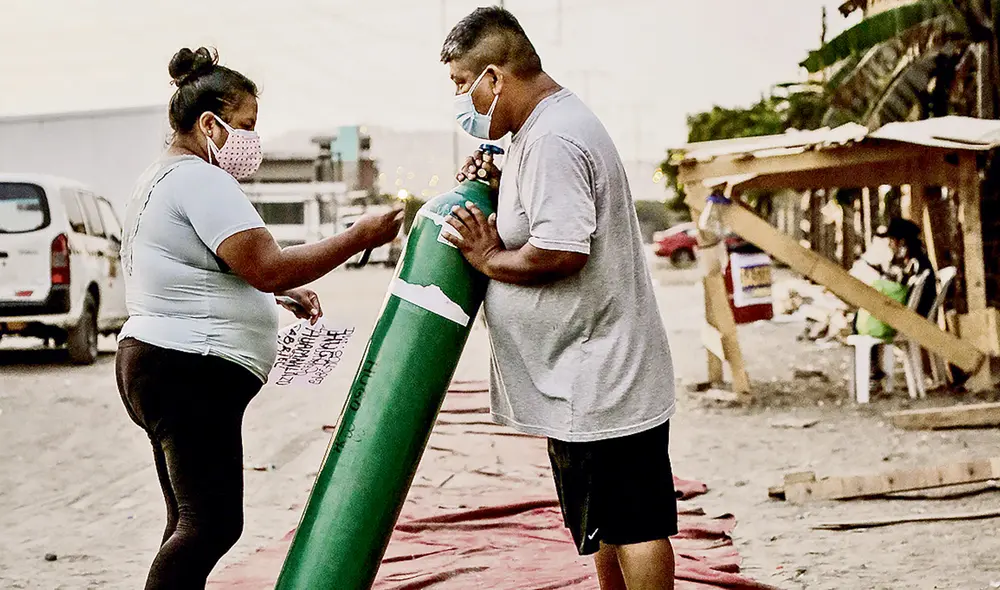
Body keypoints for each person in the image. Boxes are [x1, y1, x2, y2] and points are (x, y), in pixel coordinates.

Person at [116, 47, 402, 590]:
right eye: (245, 125)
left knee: (189, 521)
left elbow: (200, 270)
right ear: (209, 124)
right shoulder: (200, 181)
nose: (252, 139)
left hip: (162, 362)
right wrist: (358, 237)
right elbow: (265, 265)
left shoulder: (163, 177)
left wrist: (273, 297)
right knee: (212, 524)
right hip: (187, 369)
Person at [440, 8, 677, 590]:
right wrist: (499, 185)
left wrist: (488, 258)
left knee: (634, 524)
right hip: (581, 376)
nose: (460, 103)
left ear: (494, 78)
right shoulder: (532, 134)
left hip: (602, 373)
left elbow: (561, 250)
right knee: (606, 527)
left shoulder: (553, 138)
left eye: (460, 86)